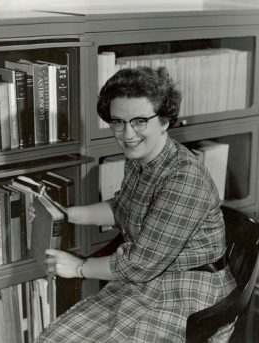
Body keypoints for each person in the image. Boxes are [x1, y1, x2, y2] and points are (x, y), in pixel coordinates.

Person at [33, 66, 236, 342]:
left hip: (189, 290)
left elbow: (140, 264)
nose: (128, 134)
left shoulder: (184, 176)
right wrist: (66, 214)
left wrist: (79, 267)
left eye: (140, 121)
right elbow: (121, 208)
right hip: (146, 280)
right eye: (118, 122)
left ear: (164, 121)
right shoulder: (141, 158)